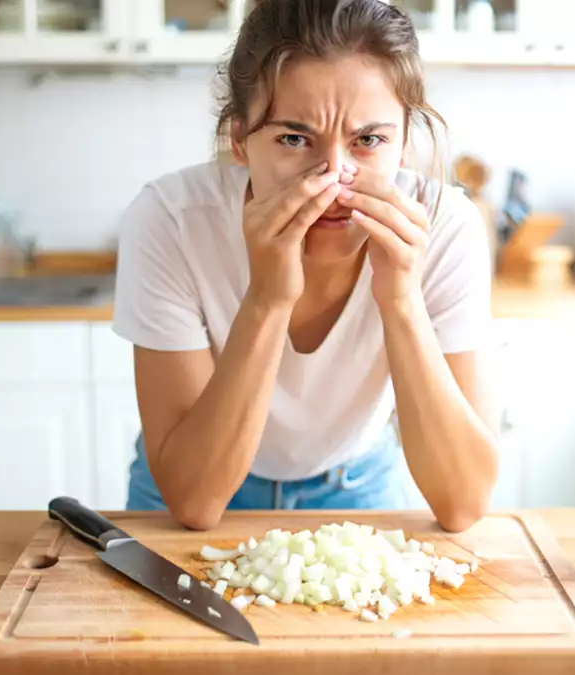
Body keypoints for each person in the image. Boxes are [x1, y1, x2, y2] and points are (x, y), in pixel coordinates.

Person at [112, 0, 498, 532]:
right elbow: (195, 502)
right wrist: (268, 299)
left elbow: (463, 504)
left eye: (368, 140)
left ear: (404, 142)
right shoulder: (170, 221)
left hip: (356, 485)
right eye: (294, 139)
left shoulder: (445, 226)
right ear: (240, 141)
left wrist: (402, 301)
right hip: (186, 484)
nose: (334, 179)